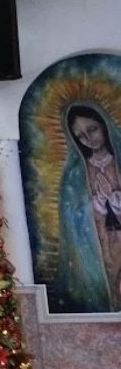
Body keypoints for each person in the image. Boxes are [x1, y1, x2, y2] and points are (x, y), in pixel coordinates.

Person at [55, 104, 121, 313]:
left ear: (104, 124)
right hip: (99, 244)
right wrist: (96, 206)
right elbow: (72, 218)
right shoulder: (75, 174)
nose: (89, 138)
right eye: (81, 136)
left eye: (92, 129)